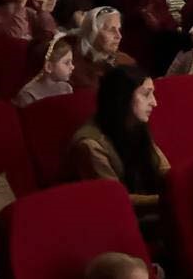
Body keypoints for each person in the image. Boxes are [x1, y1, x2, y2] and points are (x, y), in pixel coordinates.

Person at [66, 65, 169, 235]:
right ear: (122, 98)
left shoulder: (136, 125)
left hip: (143, 212)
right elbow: (114, 200)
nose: (154, 102)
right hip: (107, 224)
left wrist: (182, 187)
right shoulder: (90, 145)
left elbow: (163, 169)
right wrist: (168, 200)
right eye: (146, 94)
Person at [71, 7, 136, 90]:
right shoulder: (76, 67)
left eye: (119, 29)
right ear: (93, 33)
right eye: (111, 30)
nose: (119, 36)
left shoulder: (125, 61)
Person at [14, 32, 77, 107]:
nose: (72, 67)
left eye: (71, 62)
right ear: (48, 67)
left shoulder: (66, 89)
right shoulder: (28, 96)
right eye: (67, 63)